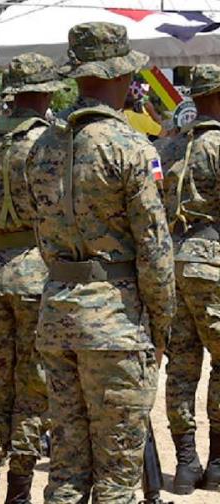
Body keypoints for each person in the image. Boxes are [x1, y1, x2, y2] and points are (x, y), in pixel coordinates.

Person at [27, 22, 174, 502]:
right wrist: (161, 323)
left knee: (67, 470)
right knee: (116, 476)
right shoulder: (130, 147)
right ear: (119, 77)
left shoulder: (43, 146)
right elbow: (154, 248)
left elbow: (42, 235)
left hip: (58, 312)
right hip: (115, 321)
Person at [0, 53, 62, 503]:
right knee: (33, 389)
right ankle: (18, 489)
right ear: (44, 92)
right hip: (37, 271)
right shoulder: (48, 142)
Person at [160, 63, 220, 494]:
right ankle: (217, 462)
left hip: (172, 263)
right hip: (212, 263)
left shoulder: (169, 146)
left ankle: (185, 464)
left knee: (180, 368)